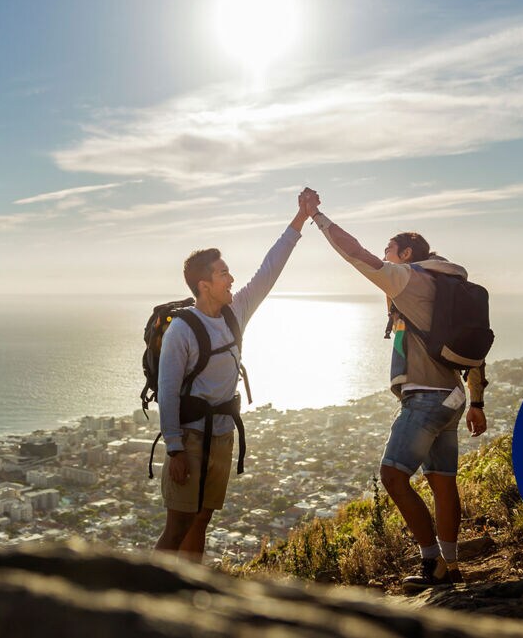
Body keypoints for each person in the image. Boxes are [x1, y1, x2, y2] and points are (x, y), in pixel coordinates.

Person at [300, 187, 487, 588]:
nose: (384, 255)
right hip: (452, 398)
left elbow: (356, 254)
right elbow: (473, 344)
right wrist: (477, 401)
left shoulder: (408, 279)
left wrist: (317, 218)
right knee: (442, 483)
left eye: (390, 249)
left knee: (393, 477)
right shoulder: (448, 286)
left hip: (424, 399)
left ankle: (431, 563)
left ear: (405, 255)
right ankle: (453, 566)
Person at [154, 199, 311, 562]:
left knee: (202, 519)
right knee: (178, 524)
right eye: (223, 273)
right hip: (191, 439)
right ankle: (146, 597)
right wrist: (174, 449)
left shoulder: (234, 313)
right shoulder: (182, 329)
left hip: (222, 435)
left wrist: (300, 218)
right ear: (204, 284)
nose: (232, 279)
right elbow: (167, 392)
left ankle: (189, 588)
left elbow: (269, 270)